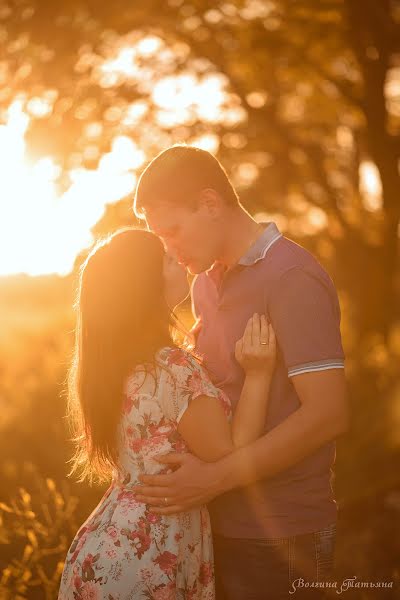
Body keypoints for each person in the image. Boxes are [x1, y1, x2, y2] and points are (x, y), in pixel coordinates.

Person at [131, 145, 349, 600]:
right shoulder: (205, 284)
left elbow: (328, 414)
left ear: (210, 204)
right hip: (215, 526)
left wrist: (214, 477)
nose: (168, 249)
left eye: (172, 231)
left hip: (286, 534)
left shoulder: (292, 277)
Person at [58, 227, 276, 600]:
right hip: (150, 556)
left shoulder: (115, 364)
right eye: (167, 259)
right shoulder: (172, 368)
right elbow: (230, 451)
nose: (181, 261)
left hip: (103, 550)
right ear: (145, 286)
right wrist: (258, 375)